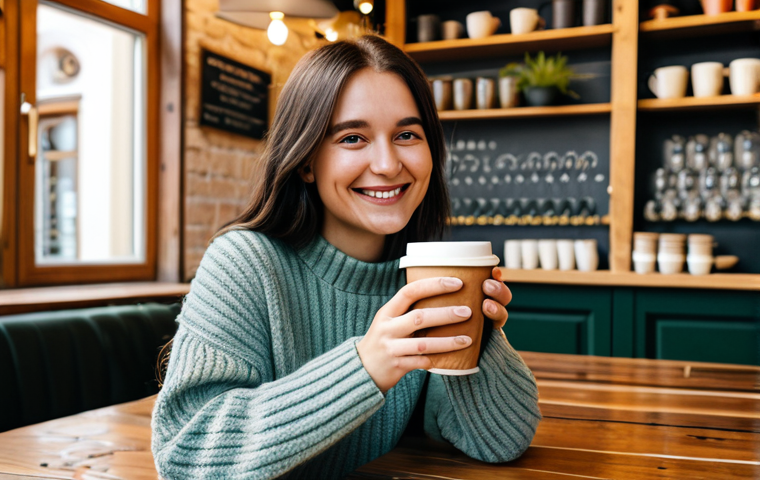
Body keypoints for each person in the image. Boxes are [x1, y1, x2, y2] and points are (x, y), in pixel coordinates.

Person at [151, 35, 541, 479]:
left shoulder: (420, 275)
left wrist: (480, 338)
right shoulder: (244, 262)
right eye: (353, 137)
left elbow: (501, 443)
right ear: (305, 161)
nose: (388, 163)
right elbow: (185, 454)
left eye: (407, 134)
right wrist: (366, 366)